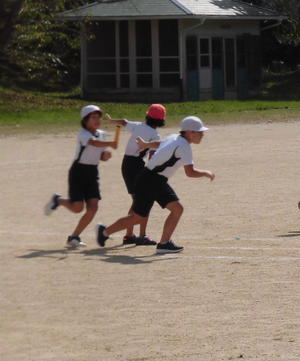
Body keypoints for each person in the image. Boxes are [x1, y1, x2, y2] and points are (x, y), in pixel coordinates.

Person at [95, 116, 215, 254]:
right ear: (189, 132)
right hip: (151, 180)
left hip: (154, 179)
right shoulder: (184, 146)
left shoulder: (174, 137)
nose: (202, 135)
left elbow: (160, 143)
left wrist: (146, 144)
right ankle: (104, 232)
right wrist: (206, 173)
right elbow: (190, 172)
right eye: (200, 132)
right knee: (138, 217)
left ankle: (164, 243)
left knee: (176, 209)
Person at [44, 105, 119, 247]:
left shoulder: (102, 134)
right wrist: (111, 143)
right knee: (77, 208)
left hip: (92, 172)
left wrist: (105, 156)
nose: (97, 120)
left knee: (93, 207)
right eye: (93, 117)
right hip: (78, 172)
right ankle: (58, 200)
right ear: (85, 120)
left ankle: (74, 236)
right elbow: (93, 143)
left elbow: (100, 154)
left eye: (98, 117)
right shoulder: (83, 134)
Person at [105, 104, 167, 246]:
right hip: (136, 166)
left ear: (147, 116)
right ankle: (142, 236)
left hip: (126, 164)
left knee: (136, 201)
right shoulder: (155, 135)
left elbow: (123, 122)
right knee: (144, 201)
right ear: (161, 120)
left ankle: (129, 235)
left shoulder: (138, 125)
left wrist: (111, 120)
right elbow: (152, 158)